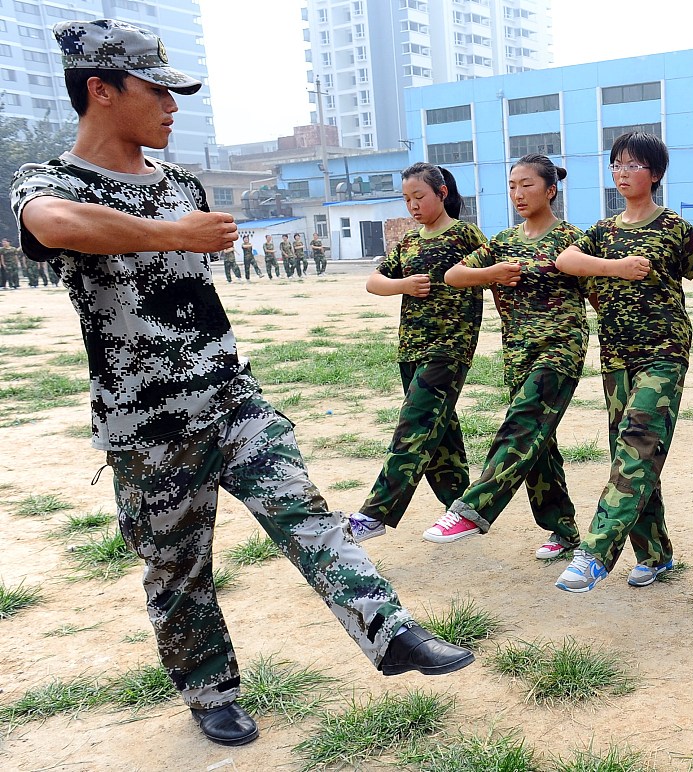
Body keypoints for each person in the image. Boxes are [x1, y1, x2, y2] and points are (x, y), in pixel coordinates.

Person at [11, 19, 473, 748]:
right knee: (179, 570)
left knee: (308, 516)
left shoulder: (181, 183)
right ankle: (210, 693)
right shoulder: (49, 182)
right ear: (101, 90)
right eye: (157, 90)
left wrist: (181, 228)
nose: (172, 105)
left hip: (232, 396)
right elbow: (54, 224)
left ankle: (392, 634)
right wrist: (174, 234)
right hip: (148, 425)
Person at [552, 131, 693, 593]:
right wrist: (613, 267)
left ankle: (594, 553)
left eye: (632, 165)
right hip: (617, 353)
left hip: (664, 351)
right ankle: (655, 555)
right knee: (633, 451)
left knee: (637, 442)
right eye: (616, 165)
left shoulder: (673, 227)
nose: (622, 173)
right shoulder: (602, 231)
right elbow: (566, 260)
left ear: (654, 174)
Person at [424, 154, 586, 556]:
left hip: (560, 349)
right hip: (518, 352)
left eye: (527, 184)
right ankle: (563, 530)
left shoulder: (573, 239)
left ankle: (472, 508)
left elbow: (596, 291)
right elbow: (454, 275)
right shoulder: (503, 242)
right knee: (539, 443)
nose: (518, 193)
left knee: (522, 423)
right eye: (513, 185)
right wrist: (491, 274)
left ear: (550, 190)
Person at [345, 163, 486, 541]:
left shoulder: (464, 234)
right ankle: (461, 507)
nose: (412, 206)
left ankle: (375, 514)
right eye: (407, 199)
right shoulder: (408, 242)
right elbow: (375, 282)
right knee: (439, 430)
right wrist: (404, 285)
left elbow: (491, 275)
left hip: (449, 348)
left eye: (419, 197)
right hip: (411, 348)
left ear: (441, 193)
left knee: (414, 427)